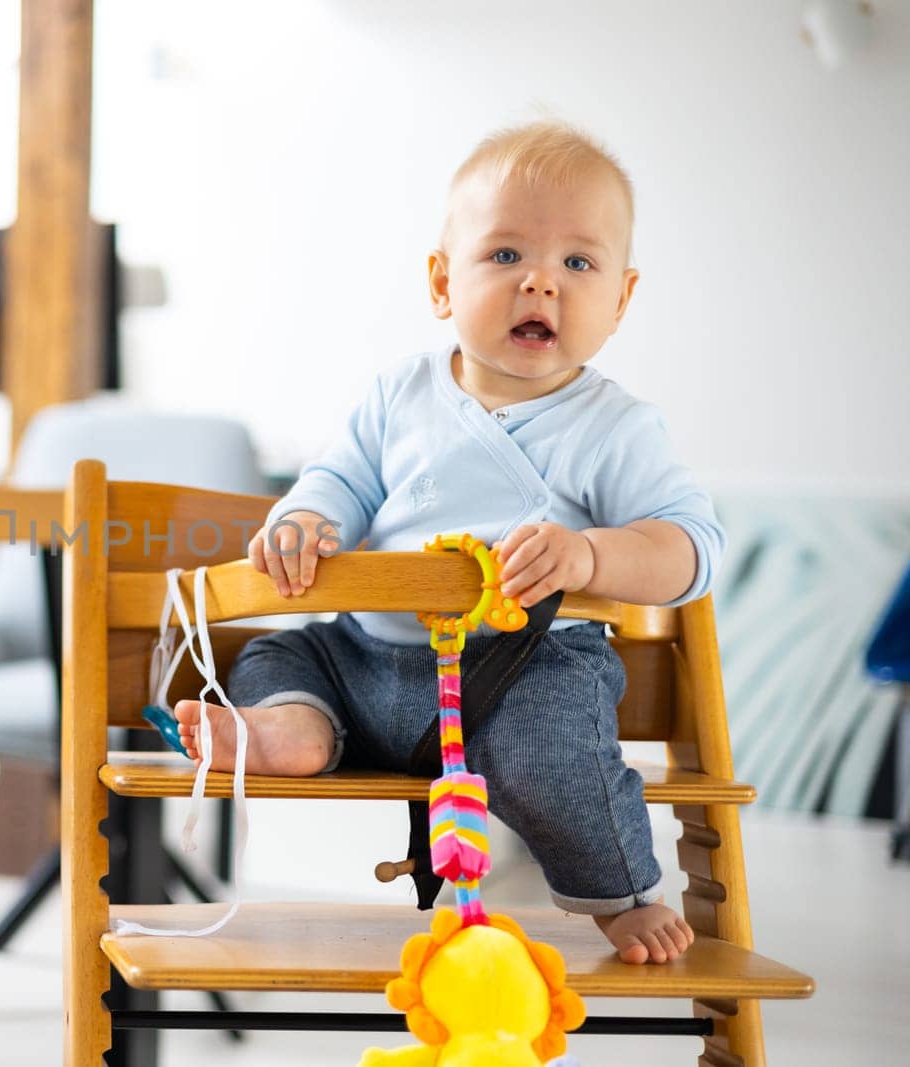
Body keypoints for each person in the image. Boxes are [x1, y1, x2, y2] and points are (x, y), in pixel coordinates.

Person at [173, 121, 724, 966]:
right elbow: (340, 483)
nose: (541, 280)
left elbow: (692, 546)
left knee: (553, 752)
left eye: (579, 263)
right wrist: (305, 522)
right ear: (442, 281)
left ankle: (619, 893)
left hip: (520, 669)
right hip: (363, 656)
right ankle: (292, 730)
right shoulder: (399, 395)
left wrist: (592, 556)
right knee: (280, 653)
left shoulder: (615, 428)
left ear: (621, 298)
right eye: (506, 255)